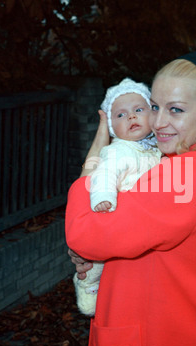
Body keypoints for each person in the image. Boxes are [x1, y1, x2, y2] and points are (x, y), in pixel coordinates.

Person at [66, 50, 196, 346]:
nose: (158, 122)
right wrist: (93, 248)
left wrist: (95, 156)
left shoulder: (184, 174)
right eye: (155, 106)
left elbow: (83, 231)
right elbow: (103, 236)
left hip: (155, 343)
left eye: (175, 110)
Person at [73, 78, 162, 317]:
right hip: (112, 212)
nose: (131, 117)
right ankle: (87, 284)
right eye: (121, 115)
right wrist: (103, 197)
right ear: (112, 127)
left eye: (138, 110)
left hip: (140, 229)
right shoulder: (116, 151)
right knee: (96, 257)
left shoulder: (158, 148)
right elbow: (103, 174)